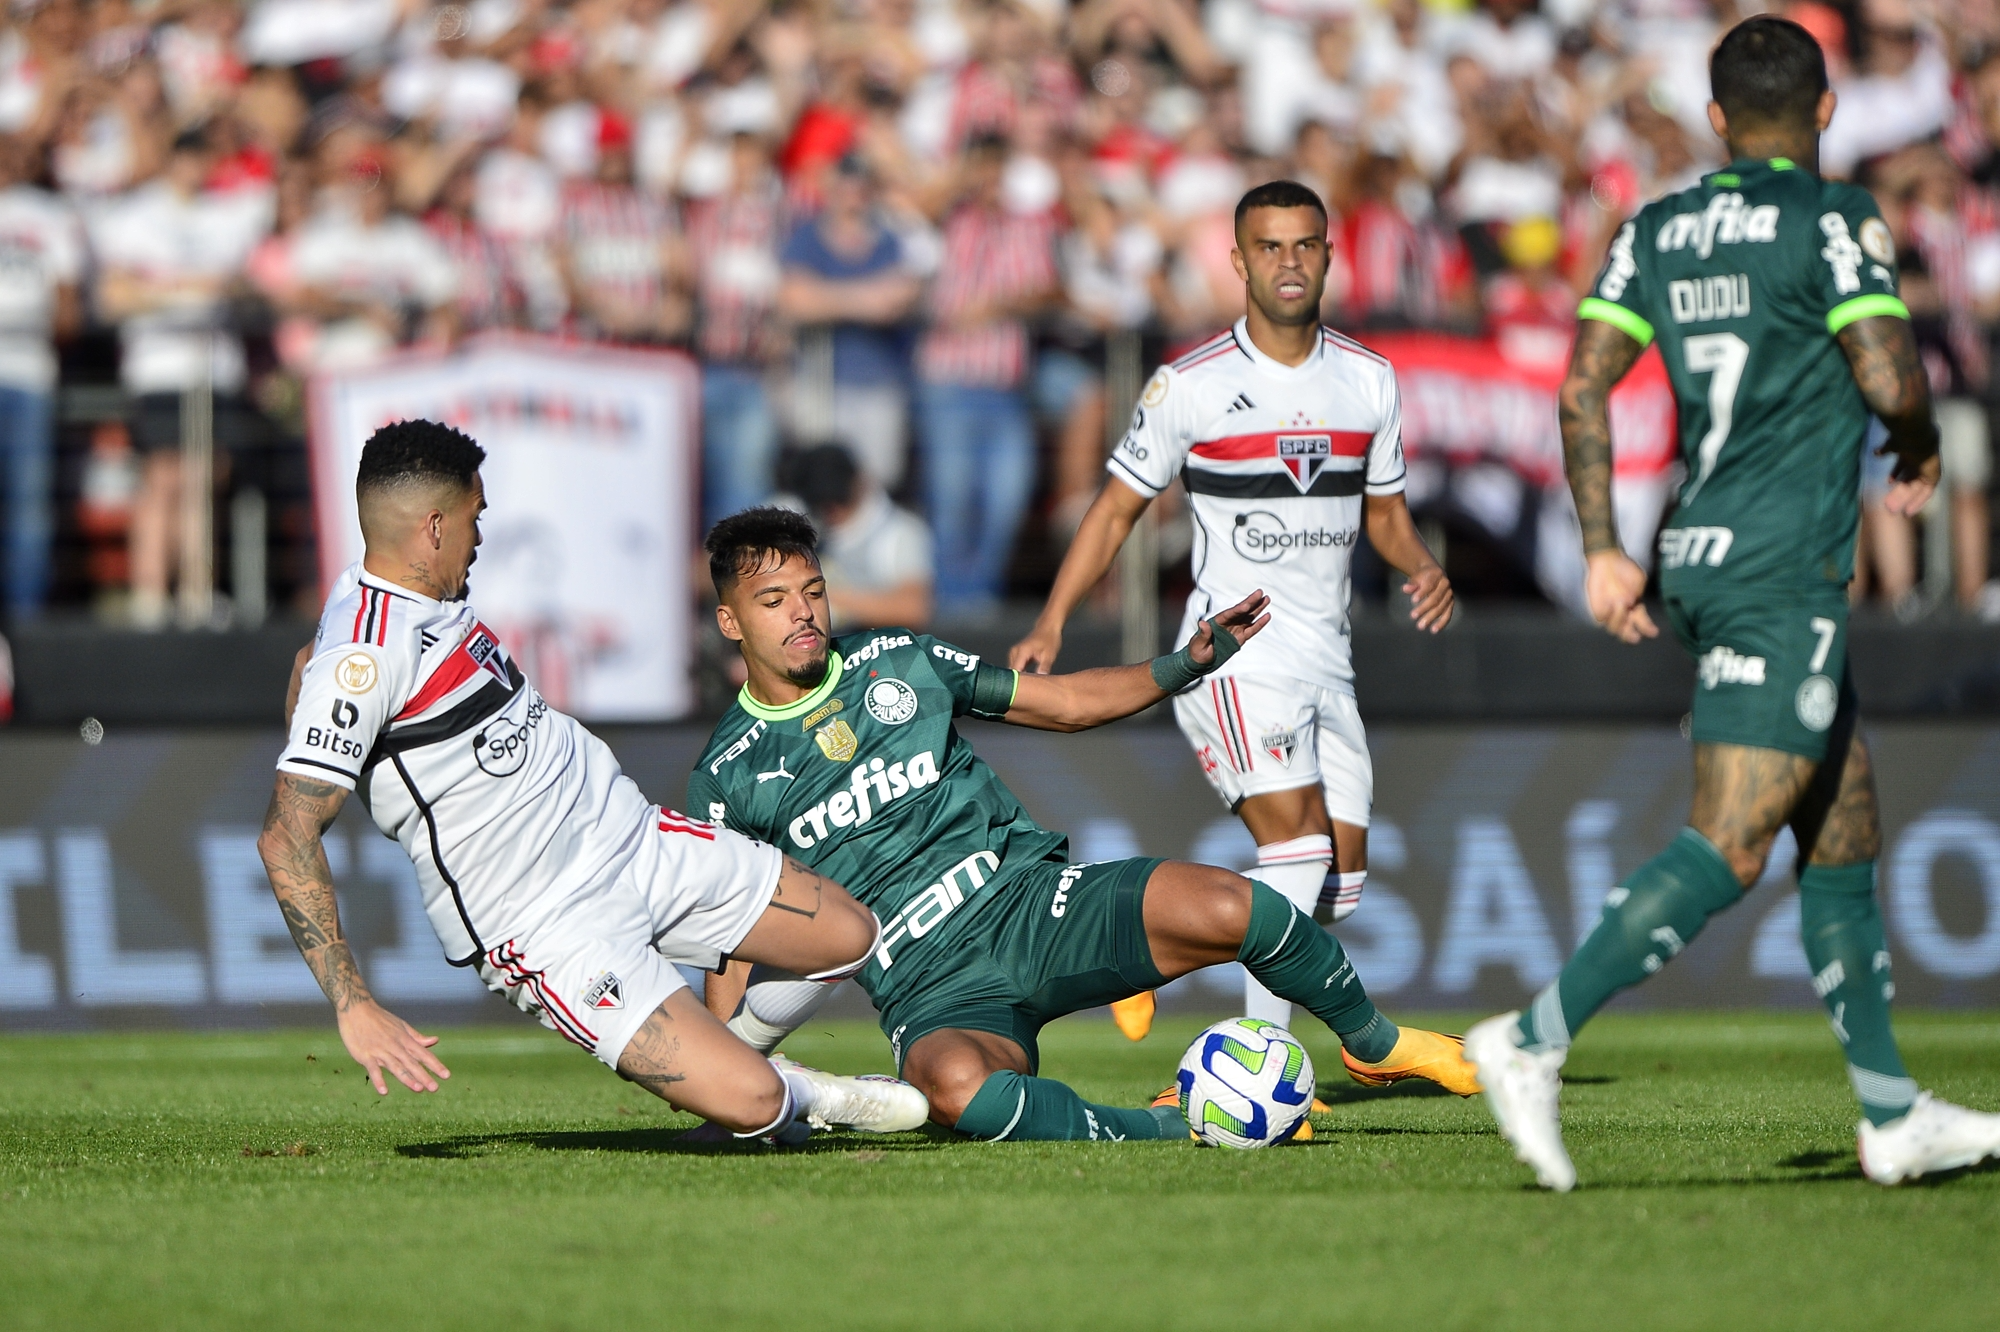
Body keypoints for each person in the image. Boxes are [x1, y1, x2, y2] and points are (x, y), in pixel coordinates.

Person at [1462, 16, 2000, 1191]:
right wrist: (1912, 446)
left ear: (1714, 118)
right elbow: (1885, 367)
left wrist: (1604, 548)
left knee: (1840, 819)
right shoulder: (1835, 218)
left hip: (1695, 546)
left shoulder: (1654, 225)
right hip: (1774, 562)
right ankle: (1530, 1038)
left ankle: (1887, 1110)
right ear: (1820, 112)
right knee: (1734, 838)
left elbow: (1581, 387)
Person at [687, 507, 1478, 1143]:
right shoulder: (728, 774)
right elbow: (732, 937)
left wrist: (1186, 663)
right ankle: (1168, 1125)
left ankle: (1371, 1044)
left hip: (1031, 906)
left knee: (1245, 906)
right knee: (958, 1092)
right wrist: (725, 1076)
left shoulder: (898, 660)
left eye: (813, 592)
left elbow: (1063, 705)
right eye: (773, 601)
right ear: (731, 623)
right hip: (929, 987)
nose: (803, 614)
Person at [259, 420, 928, 1141]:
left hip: (635, 840)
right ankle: (781, 1091)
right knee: (757, 1108)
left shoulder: (398, 604)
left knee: (848, 933)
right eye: (474, 518)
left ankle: (739, 1068)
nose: (480, 537)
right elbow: (285, 836)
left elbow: (311, 661)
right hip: (549, 924)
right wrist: (352, 1002)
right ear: (433, 527)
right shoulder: (364, 653)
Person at [1010, 180, 1452, 1040]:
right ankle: (1260, 1061)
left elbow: (1387, 515)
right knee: (1297, 852)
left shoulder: (1369, 380)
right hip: (1232, 652)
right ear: (1239, 261)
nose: (1289, 262)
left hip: (1328, 656)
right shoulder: (1191, 386)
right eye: (1271, 246)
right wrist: (1051, 621)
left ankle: (1134, 945)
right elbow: (1113, 510)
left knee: (1335, 887)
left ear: (1329, 254)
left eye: (1305, 245)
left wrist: (1423, 565)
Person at [0, 133, 82, 620]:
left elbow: (67, 306)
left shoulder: (51, 215)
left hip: (31, 373)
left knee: (29, 504)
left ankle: (26, 615)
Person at [791, 442, 934, 632]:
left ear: (859, 482)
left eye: (838, 498)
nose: (832, 509)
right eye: (821, 502)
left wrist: (826, 597)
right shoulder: (795, 520)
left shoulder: (901, 531)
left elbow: (914, 609)